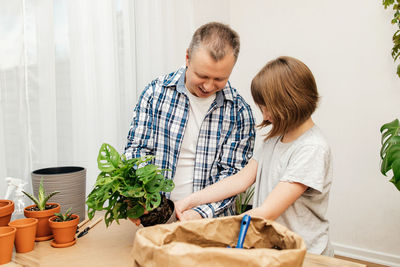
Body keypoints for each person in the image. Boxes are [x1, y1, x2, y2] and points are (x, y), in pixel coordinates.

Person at [175, 56, 334, 256]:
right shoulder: (276, 139)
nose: (265, 115)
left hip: (304, 254)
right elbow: (241, 180)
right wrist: (191, 201)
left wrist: (205, 224)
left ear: (288, 103)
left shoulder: (312, 149)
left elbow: (268, 211)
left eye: (266, 107)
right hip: (272, 249)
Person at [124, 22, 255, 221]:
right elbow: (137, 151)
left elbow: (232, 177)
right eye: (202, 75)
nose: (209, 86)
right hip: (156, 219)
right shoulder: (155, 93)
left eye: (220, 79)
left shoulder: (239, 112)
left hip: (211, 223)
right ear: (187, 58)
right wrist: (143, 201)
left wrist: (195, 215)